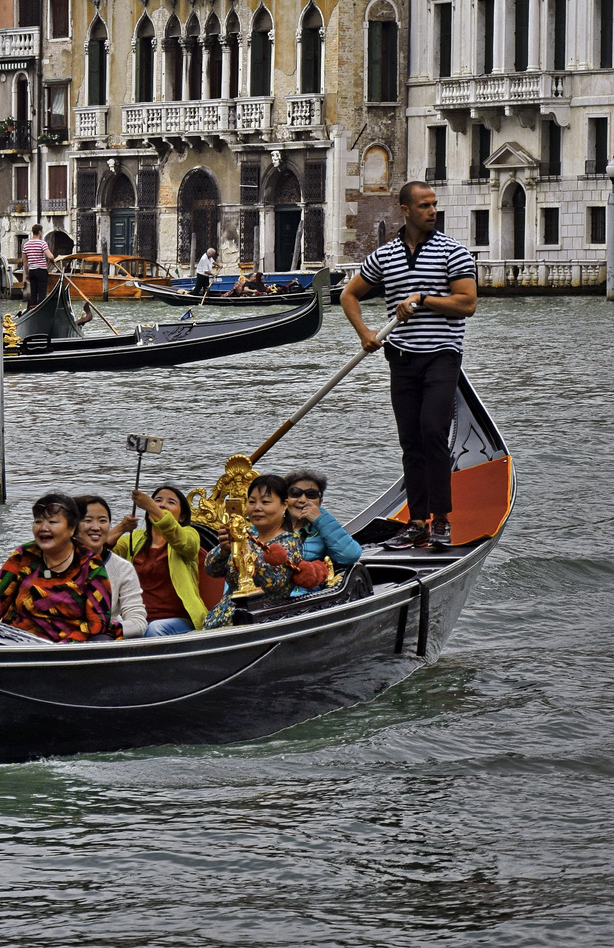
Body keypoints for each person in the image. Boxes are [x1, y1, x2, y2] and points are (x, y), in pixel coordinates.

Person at [340, 180, 479, 551]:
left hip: (441, 356)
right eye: (424, 206)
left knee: (433, 431)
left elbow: (467, 303)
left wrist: (422, 299)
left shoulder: (454, 252)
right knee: (411, 440)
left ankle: (442, 520)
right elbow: (348, 295)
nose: (432, 211)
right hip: (401, 358)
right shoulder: (383, 257)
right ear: (405, 210)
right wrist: (365, 332)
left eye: (434, 205)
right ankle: (417, 521)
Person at [0, 493, 119, 642]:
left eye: (52, 522)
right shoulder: (24, 555)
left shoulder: (90, 564)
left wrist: (61, 647)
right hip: (18, 643)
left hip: (69, 649)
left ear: (72, 528)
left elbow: (98, 623)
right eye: (38, 521)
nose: (43, 528)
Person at [203, 476, 329, 623]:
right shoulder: (247, 535)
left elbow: (271, 581)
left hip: (257, 620)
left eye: (265, 502)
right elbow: (211, 570)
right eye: (251, 502)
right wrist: (224, 550)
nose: (257, 508)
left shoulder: (289, 543)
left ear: (284, 505)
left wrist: (245, 548)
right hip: (220, 617)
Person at [112, 486, 207, 637]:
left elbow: (180, 539)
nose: (162, 505)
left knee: (155, 628)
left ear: (181, 517)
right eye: (158, 501)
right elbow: (100, 552)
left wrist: (151, 506)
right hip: (137, 619)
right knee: (110, 628)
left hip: (179, 621)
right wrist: (122, 527)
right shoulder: (135, 538)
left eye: (171, 502)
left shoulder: (190, 535)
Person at [74, 494, 146, 638]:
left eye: (102, 521)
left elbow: (138, 622)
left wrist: (95, 629)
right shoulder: (51, 560)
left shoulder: (122, 567)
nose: (96, 527)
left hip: (101, 639)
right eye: (87, 520)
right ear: (71, 526)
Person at [282, 469, 363, 568]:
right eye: (295, 493)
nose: (302, 500)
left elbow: (351, 555)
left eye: (311, 494)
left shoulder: (324, 530)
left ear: (320, 502)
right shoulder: (269, 522)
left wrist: (320, 519)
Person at [22, 232, 53, 305]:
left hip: (32, 271)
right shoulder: (42, 243)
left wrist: (27, 274)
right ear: (39, 232)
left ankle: (33, 308)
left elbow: (25, 261)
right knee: (42, 293)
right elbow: (50, 256)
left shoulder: (26, 245)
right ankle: (42, 309)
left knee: (33, 293)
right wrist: (52, 259)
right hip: (41, 271)